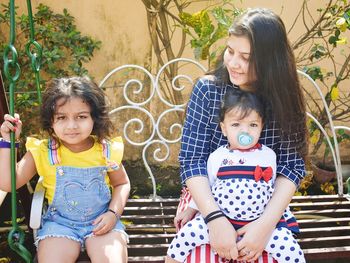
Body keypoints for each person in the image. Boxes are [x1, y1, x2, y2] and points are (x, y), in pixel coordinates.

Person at [175, 7, 308, 262]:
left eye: (246, 57)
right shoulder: (208, 90)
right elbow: (192, 161)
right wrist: (215, 219)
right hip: (207, 197)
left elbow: (291, 167)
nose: (233, 63)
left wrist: (264, 226)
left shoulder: (283, 99)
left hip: (263, 201)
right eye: (230, 51)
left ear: (271, 61)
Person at [0, 76, 130, 263]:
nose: (72, 126)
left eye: (81, 116)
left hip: (101, 222)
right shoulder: (43, 151)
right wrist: (7, 142)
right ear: (50, 121)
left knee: (111, 259)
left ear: (95, 117)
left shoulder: (106, 150)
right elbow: (7, 183)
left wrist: (113, 213)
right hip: (60, 226)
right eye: (61, 117)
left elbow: (122, 183)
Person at [166, 88, 305, 262]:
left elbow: (273, 188)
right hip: (220, 217)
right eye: (236, 125)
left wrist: (269, 223)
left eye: (252, 125)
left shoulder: (269, 156)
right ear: (224, 129)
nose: (244, 131)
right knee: (184, 238)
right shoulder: (217, 157)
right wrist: (192, 209)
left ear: (261, 127)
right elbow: (208, 184)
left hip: (258, 220)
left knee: (291, 250)